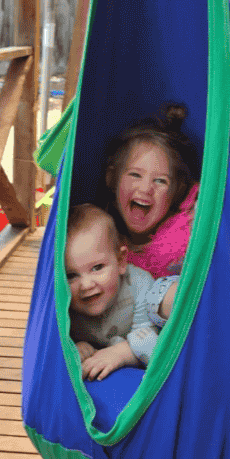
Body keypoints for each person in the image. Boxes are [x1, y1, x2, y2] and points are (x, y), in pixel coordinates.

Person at [65, 204, 177, 381]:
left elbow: (155, 347)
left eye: (97, 267)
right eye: (71, 275)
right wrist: (80, 346)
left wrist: (123, 352)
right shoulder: (66, 304)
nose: (86, 285)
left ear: (121, 261)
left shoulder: (139, 285)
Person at [101, 103, 201, 279]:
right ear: (112, 178)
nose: (146, 188)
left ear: (177, 192)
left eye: (161, 180)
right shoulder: (100, 237)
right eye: (135, 175)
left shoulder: (192, 229)